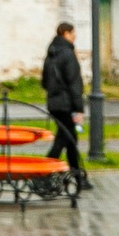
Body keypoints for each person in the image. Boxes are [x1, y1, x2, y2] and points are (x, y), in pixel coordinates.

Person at [40, 20, 90, 192]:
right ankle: (42, 175)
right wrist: (78, 109)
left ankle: (79, 178)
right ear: (66, 34)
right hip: (67, 104)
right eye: (73, 33)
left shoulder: (51, 54)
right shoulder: (68, 54)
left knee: (70, 141)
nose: (75, 37)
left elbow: (44, 82)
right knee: (62, 140)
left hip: (53, 103)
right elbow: (75, 84)